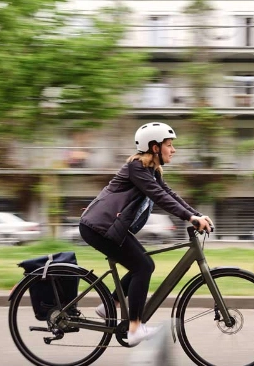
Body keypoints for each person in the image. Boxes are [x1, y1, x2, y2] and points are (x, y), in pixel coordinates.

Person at [79, 122, 213, 346]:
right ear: (154, 147)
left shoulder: (151, 170)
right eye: (169, 145)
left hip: (110, 227)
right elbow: (159, 197)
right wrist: (190, 218)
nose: (173, 150)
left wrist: (196, 215)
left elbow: (168, 193)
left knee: (144, 265)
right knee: (142, 267)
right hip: (98, 228)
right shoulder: (136, 168)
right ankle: (134, 329)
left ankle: (110, 304)